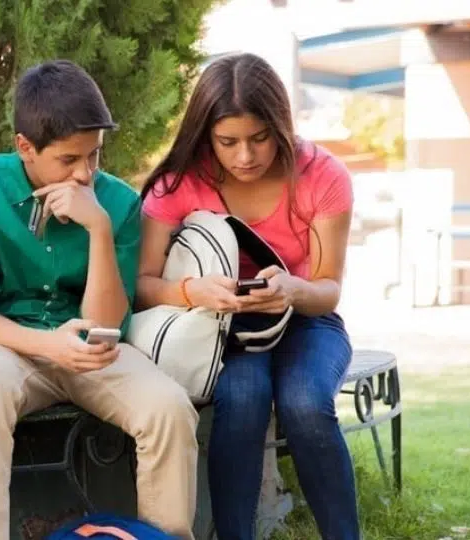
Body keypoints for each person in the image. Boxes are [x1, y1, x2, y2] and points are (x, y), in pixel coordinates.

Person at [0, 59, 199, 540]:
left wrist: (99, 227)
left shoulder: (120, 203)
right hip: (2, 346)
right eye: (69, 159)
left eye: (95, 156)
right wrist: (47, 346)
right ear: (25, 147)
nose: (85, 173)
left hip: (91, 348)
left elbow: (108, 323)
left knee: (168, 408)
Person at [135, 52, 358, 540]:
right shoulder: (179, 183)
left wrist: (294, 290)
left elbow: (328, 290)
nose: (245, 156)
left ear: (279, 125)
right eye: (227, 142)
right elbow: (143, 285)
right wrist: (193, 292)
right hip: (219, 327)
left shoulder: (321, 175)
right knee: (243, 396)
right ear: (205, 135)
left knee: (304, 400)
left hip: (306, 320)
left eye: (259, 138)